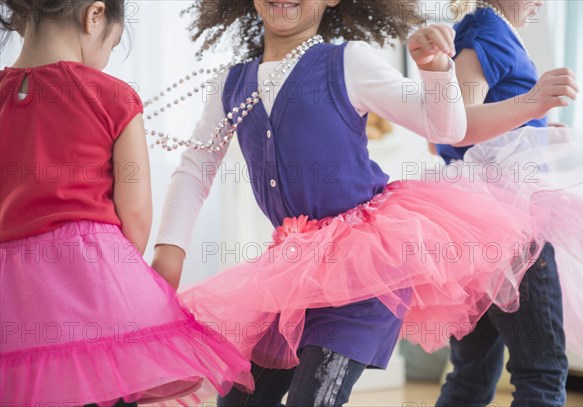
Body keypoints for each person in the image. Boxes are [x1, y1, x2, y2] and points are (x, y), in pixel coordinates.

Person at [151, 0, 544, 405]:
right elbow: (196, 164)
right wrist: (170, 250)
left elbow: (445, 127)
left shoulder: (349, 62)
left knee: (314, 397)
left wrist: (435, 71)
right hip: (289, 271)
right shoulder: (229, 83)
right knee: (238, 399)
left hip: (365, 268)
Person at [0, 1, 252, 405]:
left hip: (13, 293)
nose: (105, 59)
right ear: (94, 15)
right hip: (94, 279)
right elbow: (134, 213)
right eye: (113, 45)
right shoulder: (113, 96)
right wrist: (123, 284)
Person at [434, 1, 583, 405]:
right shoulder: (482, 33)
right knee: (541, 372)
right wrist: (535, 102)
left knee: (473, 376)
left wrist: (536, 127)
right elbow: (458, 128)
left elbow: (449, 129)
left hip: (477, 219)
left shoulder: (483, 31)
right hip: (507, 220)